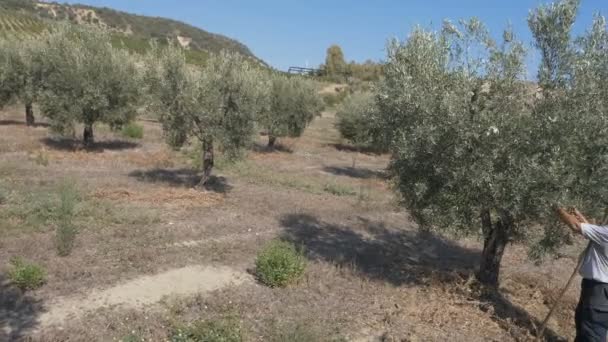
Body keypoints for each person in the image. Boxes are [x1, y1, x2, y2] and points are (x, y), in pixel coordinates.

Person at [558, 208, 608, 342]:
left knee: (593, 330)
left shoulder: (606, 233)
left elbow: (575, 226)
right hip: (596, 288)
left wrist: (557, 207)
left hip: (600, 290)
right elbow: (594, 234)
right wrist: (580, 216)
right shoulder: (604, 234)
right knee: (583, 321)